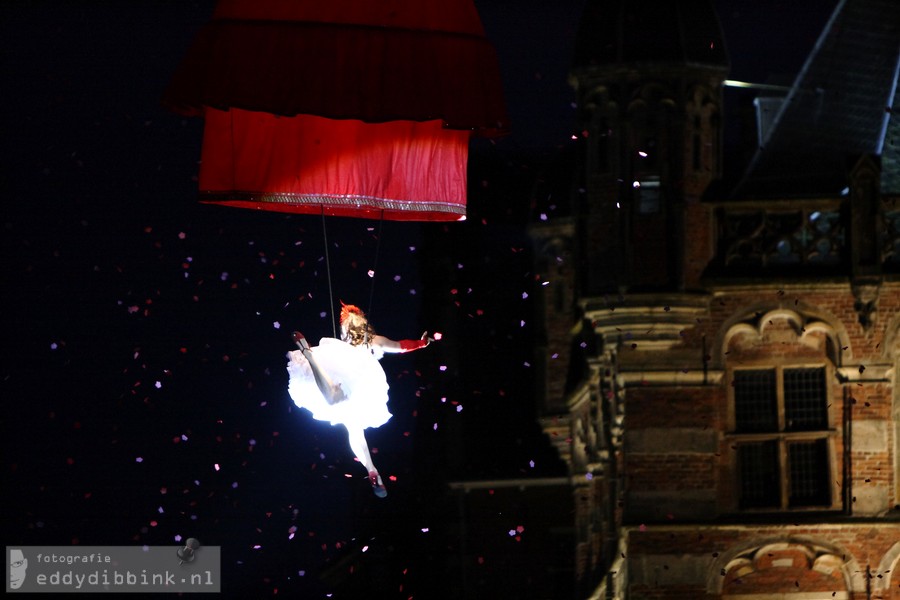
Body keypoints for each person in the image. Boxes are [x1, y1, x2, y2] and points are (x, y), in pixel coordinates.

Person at [287, 303, 435, 497]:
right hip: (363, 391)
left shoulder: (338, 348)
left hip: (349, 381)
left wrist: (420, 343)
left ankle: (311, 357)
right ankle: (371, 469)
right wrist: (421, 343)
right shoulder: (372, 341)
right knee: (354, 428)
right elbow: (400, 347)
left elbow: (400, 347)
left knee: (332, 399)